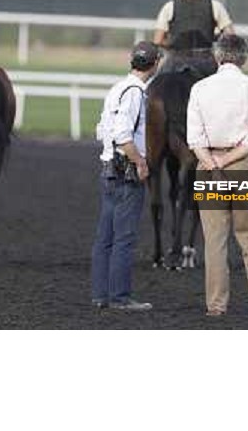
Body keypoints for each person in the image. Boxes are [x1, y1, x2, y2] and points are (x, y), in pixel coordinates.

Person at [186, 33, 248, 317]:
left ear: (217, 56)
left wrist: (213, 163)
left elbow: (194, 138)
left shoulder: (200, 88)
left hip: (208, 165)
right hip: (244, 167)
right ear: (243, 57)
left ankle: (216, 305)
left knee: (214, 240)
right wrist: (228, 160)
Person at [91, 41, 161, 311]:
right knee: (125, 237)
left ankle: (100, 295)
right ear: (155, 63)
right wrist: (140, 161)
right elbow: (123, 135)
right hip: (125, 171)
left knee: (104, 236)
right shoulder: (136, 92)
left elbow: (101, 130)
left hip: (108, 169)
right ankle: (120, 297)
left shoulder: (117, 88)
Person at [153, 0, 234, 77]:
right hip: (206, 62)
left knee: (156, 84)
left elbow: (158, 41)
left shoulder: (169, 6)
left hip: (176, 61)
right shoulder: (216, 6)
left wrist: (173, 42)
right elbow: (231, 36)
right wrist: (215, 38)